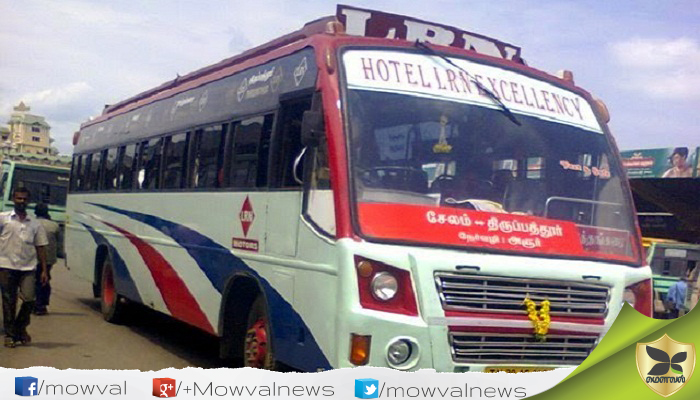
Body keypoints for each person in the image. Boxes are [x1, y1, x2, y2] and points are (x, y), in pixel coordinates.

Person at [0, 187, 48, 348]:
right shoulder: (3, 219)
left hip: (28, 268)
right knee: (9, 301)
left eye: (24, 199)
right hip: (6, 266)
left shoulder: (35, 224)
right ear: (13, 199)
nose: (21, 201)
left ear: (29, 201)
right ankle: (10, 335)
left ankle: (19, 327)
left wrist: (44, 270)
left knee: (29, 299)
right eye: (19, 198)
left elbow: (41, 247)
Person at [33, 203, 61, 315]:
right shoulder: (54, 225)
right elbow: (58, 241)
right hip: (49, 258)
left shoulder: (32, 224)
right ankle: (42, 304)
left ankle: (37, 304)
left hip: (34, 258)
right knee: (45, 279)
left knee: (36, 280)